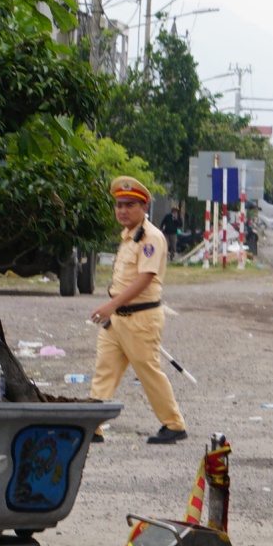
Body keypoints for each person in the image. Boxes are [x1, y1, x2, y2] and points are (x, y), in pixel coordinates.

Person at [89, 176, 188, 446]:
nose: (123, 211)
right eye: (119, 205)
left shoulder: (150, 237)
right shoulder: (128, 237)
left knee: (147, 371)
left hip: (140, 318)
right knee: (104, 370)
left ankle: (174, 424)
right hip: (117, 319)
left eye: (130, 205)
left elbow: (145, 278)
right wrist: (112, 308)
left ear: (144, 208)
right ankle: (92, 425)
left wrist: (111, 305)